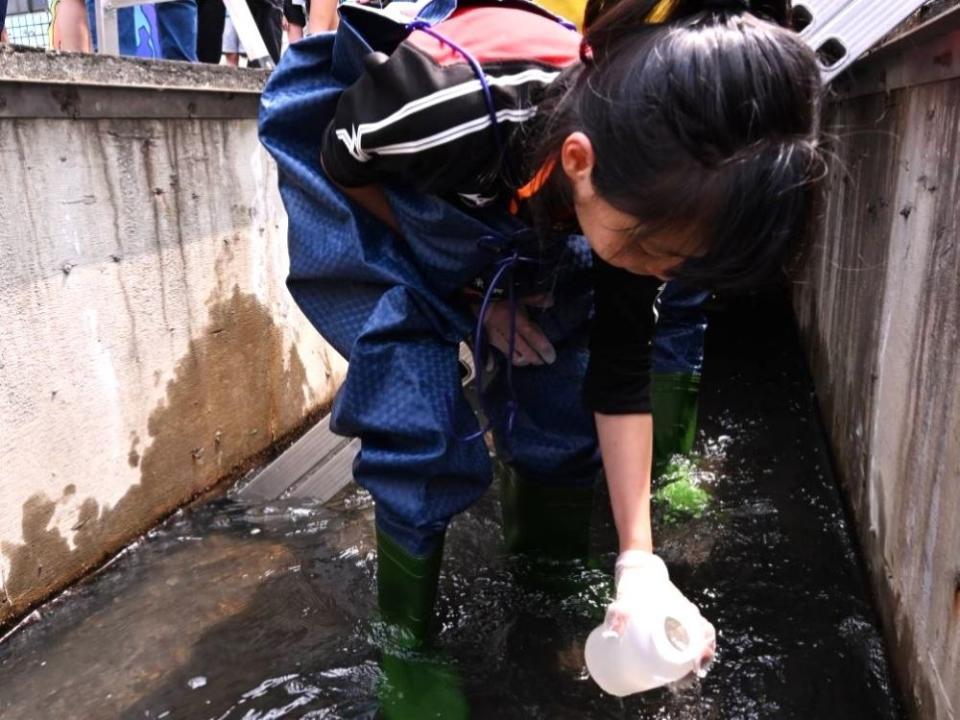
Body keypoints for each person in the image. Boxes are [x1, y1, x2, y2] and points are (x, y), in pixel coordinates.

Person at [259, 0, 820, 702]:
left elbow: (620, 376)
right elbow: (344, 156)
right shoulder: (450, 105)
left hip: (515, 183)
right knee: (417, 411)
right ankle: (405, 642)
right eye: (654, 254)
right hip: (369, 163)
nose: (660, 273)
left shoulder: (641, 191)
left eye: (679, 265)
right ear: (582, 166)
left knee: (557, 383)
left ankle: (547, 581)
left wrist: (638, 560)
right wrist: (469, 294)